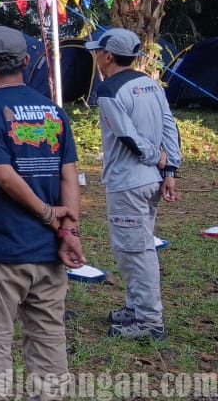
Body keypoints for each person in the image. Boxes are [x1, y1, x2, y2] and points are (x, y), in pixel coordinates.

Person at [0, 26, 83, 400]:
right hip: (49, 250)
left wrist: (50, 216)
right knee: (49, 341)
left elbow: (4, 176)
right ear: (27, 62)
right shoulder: (54, 111)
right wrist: (69, 232)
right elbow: (69, 174)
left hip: (3, 248)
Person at [86, 28, 182, 340]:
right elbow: (170, 125)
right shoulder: (150, 84)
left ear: (109, 55)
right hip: (151, 181)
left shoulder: (110, 90)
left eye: (98, 51)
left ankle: (150, 320)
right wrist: (170, 171)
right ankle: (136, 307)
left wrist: (158, 158)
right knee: (135, 246)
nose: (96, 57)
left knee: (135, 250)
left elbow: (125, 134)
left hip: (128, 181)